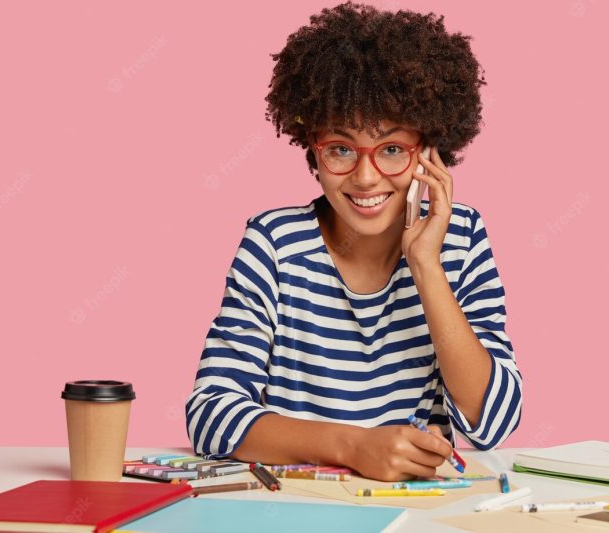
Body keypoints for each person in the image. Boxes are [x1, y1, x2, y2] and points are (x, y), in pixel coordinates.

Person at [185, 1, 522, 482]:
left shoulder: (460, 238)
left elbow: (492, 421)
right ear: (313, 148)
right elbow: (210, 414)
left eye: (391, 150)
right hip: (298, 510)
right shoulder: (275, 245)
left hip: (420, 512)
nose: (365, 178)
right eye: (341, 149)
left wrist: (426, 265)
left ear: (430, 151)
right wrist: (352, 445)